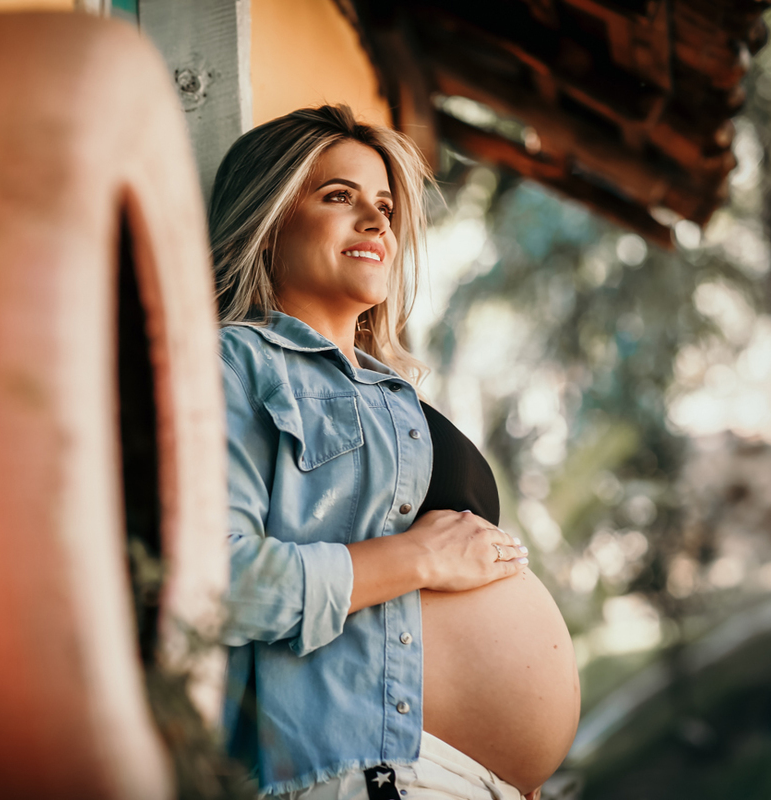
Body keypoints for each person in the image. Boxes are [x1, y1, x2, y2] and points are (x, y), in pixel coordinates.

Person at [212, 105, 578, 800]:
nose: (378, 222)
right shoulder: (234, 363)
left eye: (384, 204)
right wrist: (423, 558)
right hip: (364, 770)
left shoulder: (392, 391)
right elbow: (214, 583)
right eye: (338, 196)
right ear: (267, 223)